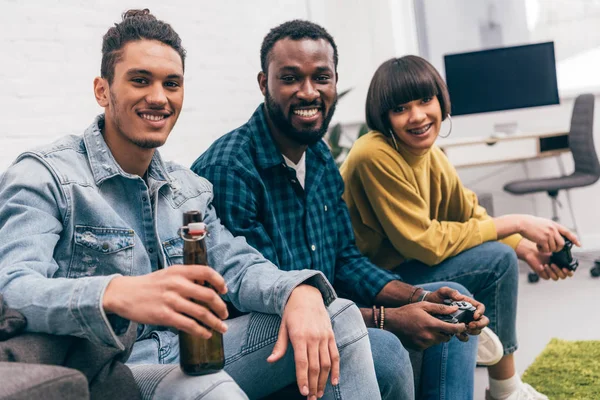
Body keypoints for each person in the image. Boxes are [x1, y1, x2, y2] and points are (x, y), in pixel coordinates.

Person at [0, 10, 385, 400]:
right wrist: (114, 293)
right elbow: (12, 288)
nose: (158, 97)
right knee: (210, 388)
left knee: (339, 315)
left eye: (172, 83)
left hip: (191, 351)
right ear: (103, 90)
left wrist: (296, 291)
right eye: (140, 80)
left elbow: (237, 265)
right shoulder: (46, 176)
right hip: (112, 370)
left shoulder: (189, 189)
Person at [192, 20, 488, 400]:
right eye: (290, 78)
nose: (308, 92)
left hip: (328, 312)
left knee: (449, 304)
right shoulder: (230, 170)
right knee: (385, 351)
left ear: (334, 82)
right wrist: (387, 320)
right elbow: (266, 301)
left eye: (321, 77)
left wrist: (416, 299)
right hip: (261, 342)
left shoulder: (317, 154)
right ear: (264, 84)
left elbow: (345, 260)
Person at [339, 55, 581, 400]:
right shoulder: (373, 154)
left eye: (425, 100)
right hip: (376, 285)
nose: (418, 115)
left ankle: (504, 388)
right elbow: (424, 243)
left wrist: (523, 247)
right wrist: (520, 222)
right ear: (384, 116)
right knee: (495, 259)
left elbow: (467, 212)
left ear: (440, 100)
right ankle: (506, 390)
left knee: (502, 255)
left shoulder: (430, 154)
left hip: (402, 269)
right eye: (401, 108)